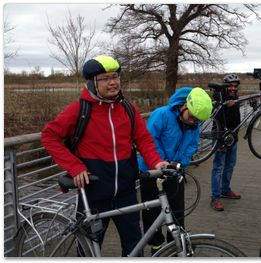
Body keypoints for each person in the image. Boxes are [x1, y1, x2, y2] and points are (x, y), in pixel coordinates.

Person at [41, 55, 168, 256]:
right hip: (93, 193)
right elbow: (49, 136)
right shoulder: (79, 110)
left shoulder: (127, 108)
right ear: (92, 83)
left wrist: (157, 162)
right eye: (105, 78)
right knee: (89, 248)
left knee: (134, 245)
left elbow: (143, 139)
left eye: (115, 77)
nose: (113, 82)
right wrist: (74, 167)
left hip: (126, 192)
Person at [137, 87, 212, 254]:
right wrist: (164, 162)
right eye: (192, 117)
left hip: (175, 173)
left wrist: (180, 162)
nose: (194, 122)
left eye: (198, 120)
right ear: (184, 106)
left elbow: (193, 145)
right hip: (152, 172)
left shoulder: (193, 123)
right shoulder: (161, 115)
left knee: (177, 213)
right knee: (152, 213)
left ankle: (175, 247)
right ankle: (156, 247)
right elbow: (150, 140)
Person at [210, 73, 242, 211]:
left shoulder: (236, 98)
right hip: (220, 137)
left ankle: (225, 190)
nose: (233, 88)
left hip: (233, 137)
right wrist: (224, 105)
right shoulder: (218, 97)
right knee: (218, 167)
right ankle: (215, 198)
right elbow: (213, 114)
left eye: (235, 86)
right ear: (225, 86)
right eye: (230, 86)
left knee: (230, 165)